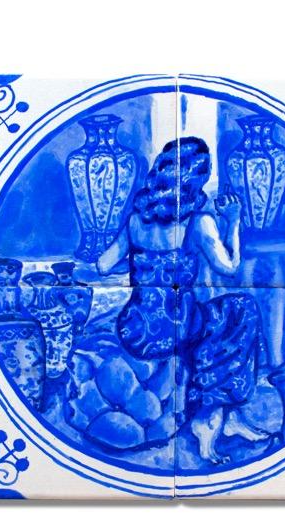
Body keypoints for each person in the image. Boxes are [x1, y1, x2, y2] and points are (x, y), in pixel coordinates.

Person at [97, 137, 269, 464]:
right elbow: (230, 268)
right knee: (241, 308)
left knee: (207, 320)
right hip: (176, 327)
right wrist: (233, 220)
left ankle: (225, 417)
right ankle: (209, 417)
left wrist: (145, 262)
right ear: (198, 178)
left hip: (134, 327)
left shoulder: (136, 220)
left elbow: (103, 265)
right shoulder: (200, 222)